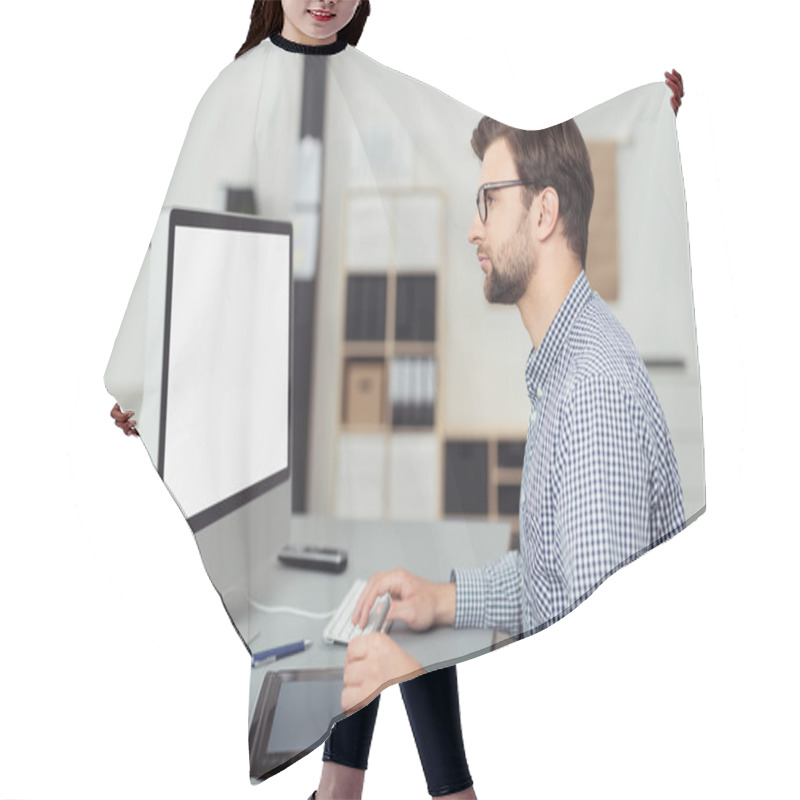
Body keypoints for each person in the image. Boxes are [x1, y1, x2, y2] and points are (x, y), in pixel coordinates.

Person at [344, 112, 686, 713]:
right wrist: (442, 599)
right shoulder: (568, 363)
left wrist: (418, 674)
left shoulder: (591, 395)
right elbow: (547, 578)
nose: (473, 230)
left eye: (488, 202)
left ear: (544, 213)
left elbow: (599, 676)